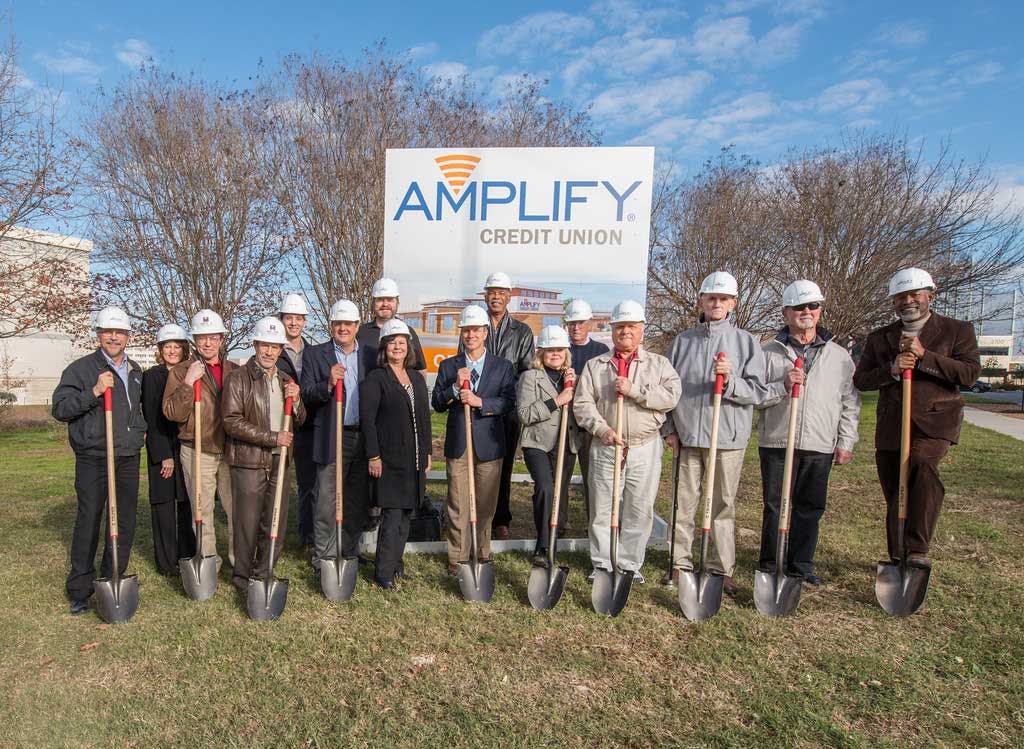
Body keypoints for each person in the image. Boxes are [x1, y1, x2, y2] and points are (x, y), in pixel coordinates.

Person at [853, 268, 980, 568]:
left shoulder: (956, 330)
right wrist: (892, 369)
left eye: (914, 295)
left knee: (922, 466)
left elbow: (969, 374)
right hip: (893, 423)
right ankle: (898, 555)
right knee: (894, 485)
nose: (907, 301)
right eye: (900, 297)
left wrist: (925, 356)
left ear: (930, 296)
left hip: (935, 422)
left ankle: (917, 549)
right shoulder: (880, 338)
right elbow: (862, 380)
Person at [662, 272, 769, 597]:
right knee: (683, 503)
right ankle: (679, 563)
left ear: (733, 303)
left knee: (722, 505)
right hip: (688, 437)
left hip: (727, 439)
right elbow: (666, 389)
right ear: (702, 302)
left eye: (723, 299)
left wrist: (731, 381)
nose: (717, 304)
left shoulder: (746, 343)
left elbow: (759, 392)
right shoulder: (683, 342)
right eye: (711, 298)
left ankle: (721, 568)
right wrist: (669, 429)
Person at [756, 280, 861, 586]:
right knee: (775, 505)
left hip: (819, 441)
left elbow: (849, 402)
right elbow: (755, 396)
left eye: (812, 306)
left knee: (810, 507)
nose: (806, 311)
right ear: (786, 312)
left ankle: (800, 564)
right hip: (777, 440)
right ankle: (770, 562)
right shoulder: (767, 352)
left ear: (820, 310)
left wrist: (846, 441)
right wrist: (783, 385)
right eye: (799, 307)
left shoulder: (839, 356)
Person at [574, 300, 681, 584]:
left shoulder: (659, 365)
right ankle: (602, 563)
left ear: (642, 329)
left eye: (631, 326)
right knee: (603, 507)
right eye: (620, 326)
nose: (625, 332)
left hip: (644, 446)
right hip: (607, 445)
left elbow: (671, 397)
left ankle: (630, 564)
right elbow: (582, 405)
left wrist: (635, 391)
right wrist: (601, 429)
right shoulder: (596, 366)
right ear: (612, 330)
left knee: (639, 508)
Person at [52, 306, 146, 615]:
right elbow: (61, 409)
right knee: (89, 519)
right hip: (94, 455)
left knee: (124, 521)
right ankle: (80, 589)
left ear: (127, 336)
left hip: (127, 455)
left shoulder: (135, 371)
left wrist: (139, 431)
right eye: (108, 332)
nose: (114, 337)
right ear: (99, 335)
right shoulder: (80, 369)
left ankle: (112, 576)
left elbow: (136, 410)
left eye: (119, 332)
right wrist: (94, 391)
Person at [222, 317, 306, 592]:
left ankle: (263, 573)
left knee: (275, 523)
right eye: (264, 345)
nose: (269, 352)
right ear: (255, 345)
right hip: (249, 461)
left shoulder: (285, 380)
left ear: (281, 349)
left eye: (275, 346)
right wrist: (272, 438)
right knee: (247, 524)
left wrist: (297, 400)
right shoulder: (238, 378)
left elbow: (301, 419)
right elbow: (231, 421)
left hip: (279, 461)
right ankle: (242, 578)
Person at [433, 304, 516, 575]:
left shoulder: (502, 367)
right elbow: (437, 403)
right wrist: (455, 388)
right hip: (460, 444)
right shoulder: (449, 366)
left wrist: (481, 402)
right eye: (466, 330)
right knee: (458, 503)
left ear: (485, 333)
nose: (471, 335)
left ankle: (481, 554)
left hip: (489, 445)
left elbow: (508, 402)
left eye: (476, 330)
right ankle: (457, 557)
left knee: (485, 505)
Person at [163, 309, 238, 570]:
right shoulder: (180, 371)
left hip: (230, 450)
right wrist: (188, 383)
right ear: (194, 340)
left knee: (236, 510)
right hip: (197, 449)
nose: (207, 343)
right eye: (202, 337)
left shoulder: (234, 371)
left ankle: (239, 562)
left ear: (221, 339)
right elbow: (172, 413)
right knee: (202, 512)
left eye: (213, 337)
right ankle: (209, 564)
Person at [359, 319, 432, 589]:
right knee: (392, 516)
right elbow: (368, 420)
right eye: (392, 343)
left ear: (409, 347)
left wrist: (427, 452)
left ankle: (396, 565)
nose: (398, 347)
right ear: (384, 348)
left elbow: (424, 418)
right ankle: (383, 573)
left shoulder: (416, 378)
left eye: (402, 342)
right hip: (389, 459)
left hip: (413, 459)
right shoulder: (376, 379)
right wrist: (373, 456)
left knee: (405, 516)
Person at [300, 299, 369, 575]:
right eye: (338, 323)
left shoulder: (369, 355)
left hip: (360, 437)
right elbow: (306, 393)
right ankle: (324, 558)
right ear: (331, 325)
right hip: (331, 435)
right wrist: (327, 383)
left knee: (355, 499)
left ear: (357, 326)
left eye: (348, 324)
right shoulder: (315, 354)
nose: (343, 328)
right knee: (326, 500)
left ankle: (349, 552)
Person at [469, 271, 534, 541]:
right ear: (485, 296)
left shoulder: (522, 332)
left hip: (507, 409)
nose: (495, 297)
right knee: (475, 461)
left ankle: (501, 518)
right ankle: (474, 514)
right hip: (476, 407)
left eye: (501, 293)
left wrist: (505, 399)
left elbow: (526, 372)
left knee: (504, 464)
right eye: (491, 292)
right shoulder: (474, 326)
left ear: (509, 297)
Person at [517, 325, 577, 567]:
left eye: (560, 350)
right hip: (538, 443)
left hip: (565, 443)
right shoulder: (530, 377)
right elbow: (524, 414)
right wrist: (557, 401)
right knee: (545, 488)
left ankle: (554, 538)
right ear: (541, 352)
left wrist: (574, 389)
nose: (555, 354)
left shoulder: (571, 379)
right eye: (550, 350)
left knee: (559, 493)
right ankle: (542, 545)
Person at [141, 323, 196, 576]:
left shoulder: (190, 372)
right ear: (160, 349)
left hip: (186, 445)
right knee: (163, 504)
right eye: (167, 347)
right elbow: (152, 418)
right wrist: (164, 456)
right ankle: (166, 561)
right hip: (162, 444)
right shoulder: (153, 376)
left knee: (186, 502)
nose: (172, 351)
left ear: (184, 349)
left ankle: (187, 554)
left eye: (176, 346)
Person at [275, 292, 317, 548]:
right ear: (281, 320)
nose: (293, 323)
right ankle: (270, 533)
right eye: (289, 318)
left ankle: (308, 537)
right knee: (276, 480)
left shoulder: (314, 352)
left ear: (304, 321)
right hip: (280, 425)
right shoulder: (273, 350)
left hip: (308, 426)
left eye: (298, 318)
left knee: (308, 483)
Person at [564, 299, 609, 525]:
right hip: (565, 423)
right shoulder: (560, 349)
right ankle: (558, 524)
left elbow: (605, 387)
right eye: (572, 323)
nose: (576, 327)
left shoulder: (601, 352)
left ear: (590, 323)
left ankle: (594, 525)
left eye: (580, 323)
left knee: (594, 478)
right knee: (561, 477)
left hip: (592, 425)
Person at [356, 277, 427, 372]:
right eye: (380, 299)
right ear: (373, 303)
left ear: (397, 303)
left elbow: (420, 370)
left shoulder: (408, 332)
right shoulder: (360, 333)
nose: (385, 304)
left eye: (390, 299)